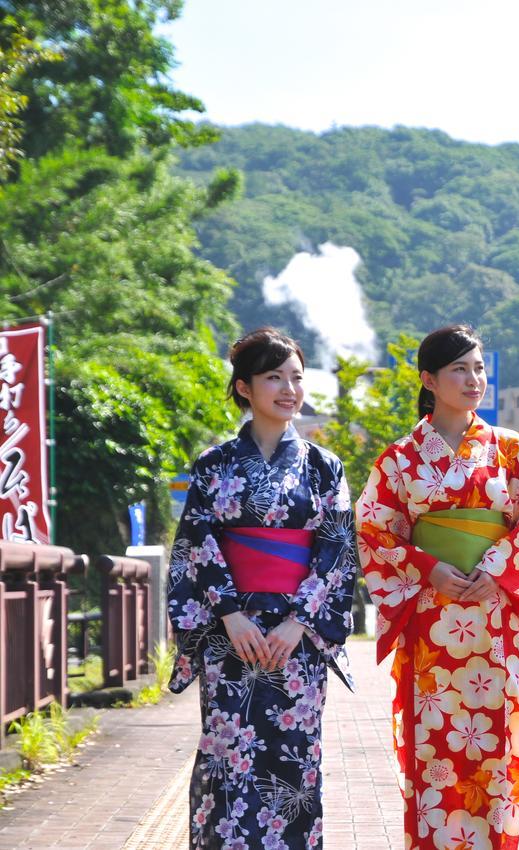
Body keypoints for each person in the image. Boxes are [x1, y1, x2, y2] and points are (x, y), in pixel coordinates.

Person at [356, 324, 519, 850]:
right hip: (432, 622)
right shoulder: (399, 458)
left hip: (495, 618)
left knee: (499, 746)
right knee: (436, 749)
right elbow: (374, 529)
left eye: (480, 367)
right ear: (429, 379)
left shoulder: (515, 452)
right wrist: (427, 567)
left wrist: (497, 571)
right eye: (459, 369)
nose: (474, 379)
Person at [167, 328, 357, 850]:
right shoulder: (214, 464)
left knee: (295, 762)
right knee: (229, 757)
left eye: (296, 377)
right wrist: (228, 614)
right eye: (274, 377)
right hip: (231, 634)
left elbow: (337, 548)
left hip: (297, 639)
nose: (289, 388)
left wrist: (300, 622)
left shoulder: (324, 467)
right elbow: (195, 544)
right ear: (245, 387)